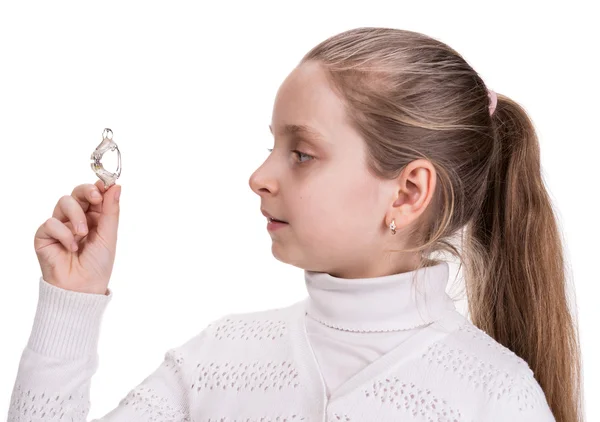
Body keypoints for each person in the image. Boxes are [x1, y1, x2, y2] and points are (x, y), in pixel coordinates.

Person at [7, 27, 583, 421]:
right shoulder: (220, 357)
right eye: (272, 146)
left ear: (408, 192)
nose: (260, 176)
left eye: (301, 153)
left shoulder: (494, 395)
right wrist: (70, 305)